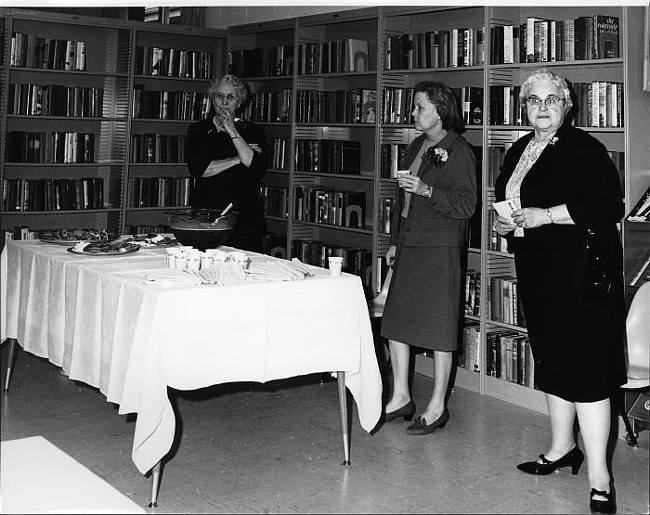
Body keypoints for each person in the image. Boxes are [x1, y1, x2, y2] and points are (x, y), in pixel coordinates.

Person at [493, 68, 626, 515]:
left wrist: (544, 215)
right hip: (539, 272)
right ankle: (561, 448)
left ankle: (601, 479)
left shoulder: (584, 148)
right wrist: (505, 221)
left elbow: (607, 204)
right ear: (525, 107)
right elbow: (509, 201)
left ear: (567, 106)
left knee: (586, 371)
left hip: (582, 276)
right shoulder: (518, 148)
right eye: (534, 100)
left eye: (552, 99)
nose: (543, 107)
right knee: (551, 359)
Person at [380, 81, 478, 435]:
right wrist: (395, 241)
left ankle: (437, 406)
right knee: (396, 321)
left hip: (439, 248)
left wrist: (428, 190)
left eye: (420, 107)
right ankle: (401, 396)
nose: (414, 113)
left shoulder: (460, 150)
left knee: (438, 329)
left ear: (440, 110)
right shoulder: (418, 145)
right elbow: (402, 202)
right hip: (410, 243)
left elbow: (467, 205)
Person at [186, 74, 268, 252]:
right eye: (219, 96)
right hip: (207, 215)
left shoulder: (254, 131)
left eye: (231, 97)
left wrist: (232, 130)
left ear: (239, 102)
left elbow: (255, 168)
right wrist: (238, 158)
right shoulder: (198, 130)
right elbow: (201, 170)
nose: (224, 102)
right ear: (212, 98)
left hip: (244, 218)